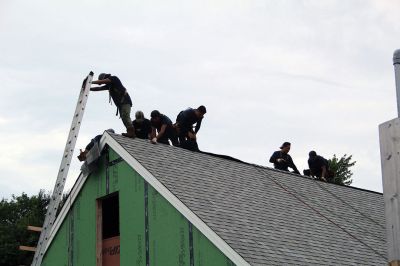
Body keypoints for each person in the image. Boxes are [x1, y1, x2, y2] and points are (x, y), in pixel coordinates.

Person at [90, 73, 135, 138]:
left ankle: (131, 132)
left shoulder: (114, 78)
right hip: (120, 104)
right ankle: (129, 132)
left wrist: (90, 82)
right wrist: (89, 88)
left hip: (125, 102)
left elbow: (103, 82)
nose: (104, 83)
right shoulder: (109, 85)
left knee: (125, 116)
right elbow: (99, 88)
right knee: (123, 117)